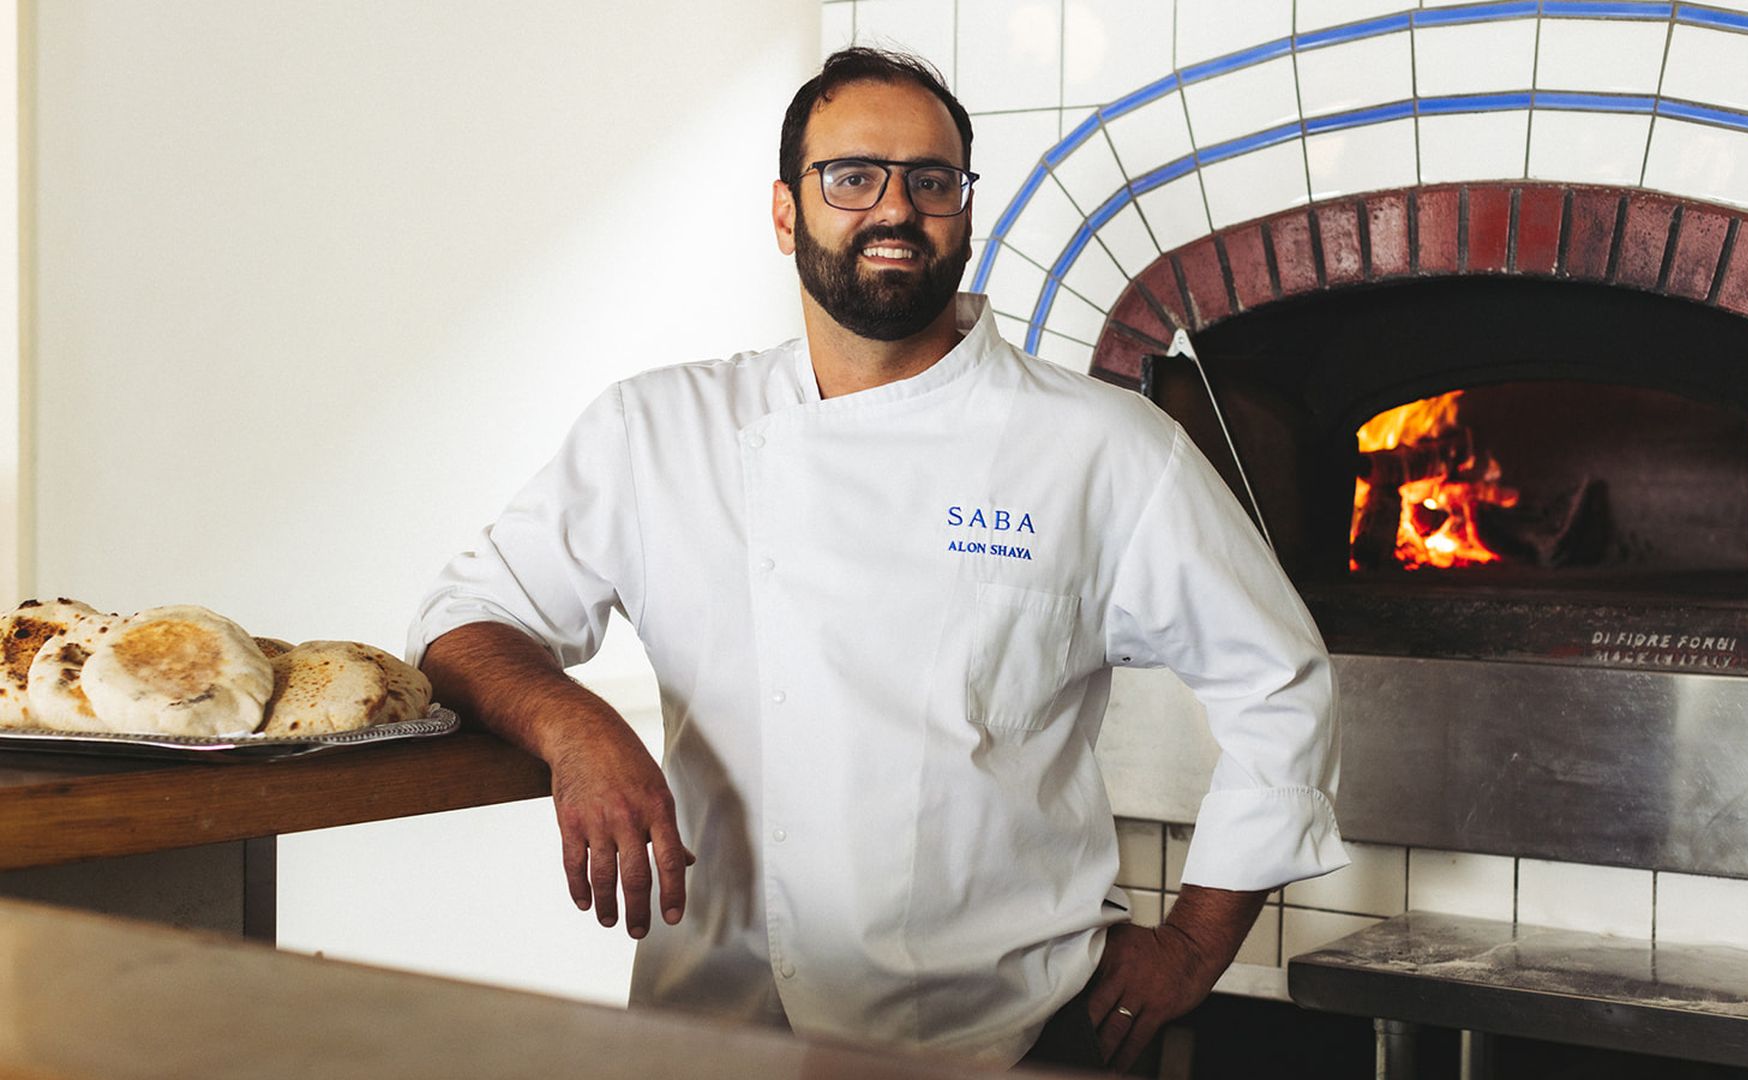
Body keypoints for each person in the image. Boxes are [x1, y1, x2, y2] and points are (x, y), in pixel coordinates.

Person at [408, 47, 1346, 1072]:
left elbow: (1282, 681)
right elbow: (463, 620)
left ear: (966, 215)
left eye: (931, 182)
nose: (895, 208)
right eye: (853, 176)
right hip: (714, 1029)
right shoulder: (657, 430)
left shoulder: (1102, 447)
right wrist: (575, 727)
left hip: (1004, 1037)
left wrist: (1196, 944)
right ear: (784, 213)